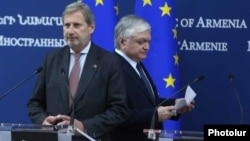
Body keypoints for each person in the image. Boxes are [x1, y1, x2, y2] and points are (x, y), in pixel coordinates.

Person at [27, 2, 128, 141]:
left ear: (91, 27)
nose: (70, 31)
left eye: (77, 25)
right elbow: (34, 103)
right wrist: (43, 121)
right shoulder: (51, 59)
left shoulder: (109, 62)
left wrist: (85, 126)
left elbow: (119, 110)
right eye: (66, 25)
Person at [112, 14, 195, 141]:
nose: (147, 47)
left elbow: (146, 102)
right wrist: (154, 115)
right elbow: (114, 115)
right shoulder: (111, 68)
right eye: (141, 42)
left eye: (148, 41)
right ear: (123, 42)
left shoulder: (137, 65)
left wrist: (174, 106)